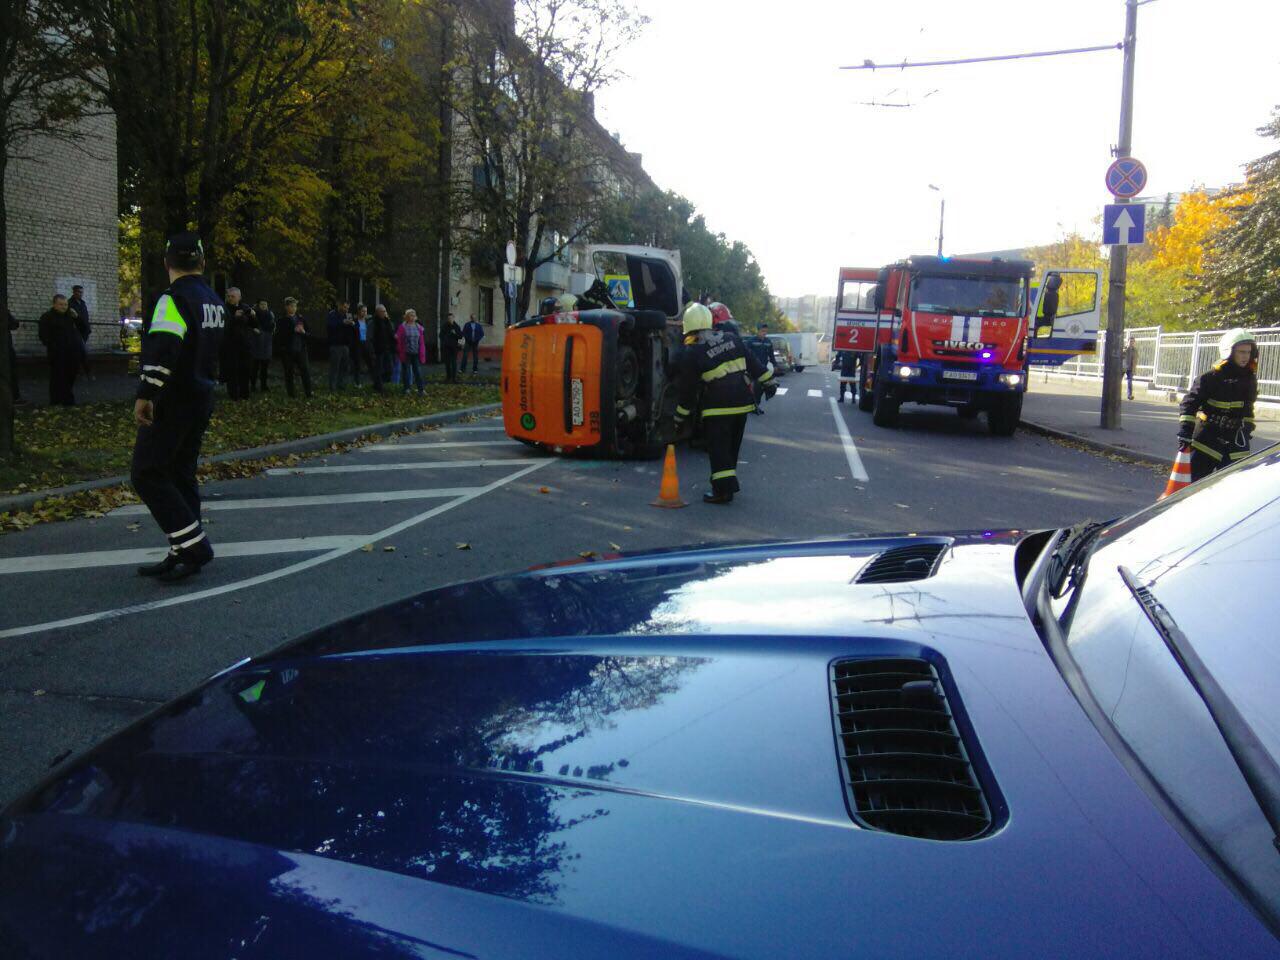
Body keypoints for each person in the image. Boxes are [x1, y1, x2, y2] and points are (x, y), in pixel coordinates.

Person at [130, 231, 224, 583]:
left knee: (147, 472)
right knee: (180, 472)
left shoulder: (173, 299)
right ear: (202, 262)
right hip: (202, 396)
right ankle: (182, 550)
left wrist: (146, 393)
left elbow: (164, 348)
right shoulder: (213, 299)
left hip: (174, 398)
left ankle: (194, 547)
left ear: (167, 262)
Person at [674, 302, 775, 505]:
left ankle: (722, 491)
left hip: (717, 408)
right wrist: (769, 381)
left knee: (719, 449)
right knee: (731, 448)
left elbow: (689, 390)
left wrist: (679, 416)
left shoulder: (692, 352)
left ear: (689, 327)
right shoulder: (731, 339)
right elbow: (754, 363)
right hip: (742, 405)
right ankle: (725, 484)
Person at [1178, 329, 1258, 483]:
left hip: (1236, 443)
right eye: (1241, 352)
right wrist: (1185, 431)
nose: (1245, 356)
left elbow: (1248, 409)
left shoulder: (1249, 379)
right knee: (1193, 487)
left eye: (1248, 352)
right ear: (1229, 352)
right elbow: (1189, 404)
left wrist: (1247, 429)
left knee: (1233, 489)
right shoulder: (1209, 378)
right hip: (1206, 440)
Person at [38, 294, 82, 405]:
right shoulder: (47, 317)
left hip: (71, 353)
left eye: (66, 304)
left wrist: (77, 317)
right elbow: (43, 335)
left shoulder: (70, 316)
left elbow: (84, 328)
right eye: (61, 304)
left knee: (70, 375)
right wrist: (53, 345)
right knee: (57, 378)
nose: (64, 307)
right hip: (56, 354)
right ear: (54, 304)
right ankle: (56, 401)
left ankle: (67, 400)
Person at [275, 297, 313, 398]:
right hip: (288, 351)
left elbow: (309, 334)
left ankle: (309, 393)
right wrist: (293, 330)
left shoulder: (301, 319)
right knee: (289, 372)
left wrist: (304, 332)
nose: (294, 308)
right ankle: (291, 395)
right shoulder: (281, 320)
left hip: (301, 349)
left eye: (295, 306)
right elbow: (279, 336)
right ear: (286, 307)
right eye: (291, 306)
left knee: (305, 371)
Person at [397, 309, 426, 395]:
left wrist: (422, 352)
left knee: (417, 371)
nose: (412, 317)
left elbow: (421, 341)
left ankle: (421, 389)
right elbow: (399, 339)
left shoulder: (418, 327)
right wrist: (399, 350)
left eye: (414, 316)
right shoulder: (403, 327)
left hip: (416, 352)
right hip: (406, 352)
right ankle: (407, 389)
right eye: (411, 315)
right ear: (407, 317)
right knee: (406, 371)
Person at [326, 299, 353, 391]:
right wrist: (342, 322)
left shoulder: (348, 315)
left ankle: (342, 386)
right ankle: (332, 387)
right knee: (335, 367)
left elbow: (350, 330)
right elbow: (331, 326)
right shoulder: (332, 314)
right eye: (345, 307)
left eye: (348, 308)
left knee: (345, 367)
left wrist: (352, 324)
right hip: (335, 344)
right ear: (339, 305)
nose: (346, 309)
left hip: (345, 344)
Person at [68, 285, 93, 380]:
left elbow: (85, 317)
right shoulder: (70, 303)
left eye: (81, 292)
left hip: (84, 331)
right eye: (78, 292)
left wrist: (87, 329)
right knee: (82, 352)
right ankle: (86, 373)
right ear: (74, 292)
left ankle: (80, 373)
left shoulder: (83, 303)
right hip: (75, 332)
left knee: (80, 352)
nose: (80, 294)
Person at [250, 298, 275, 392]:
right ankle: (253, 385)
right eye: (262, 304)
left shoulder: (270, 314)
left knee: (265, 367)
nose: (264, 306)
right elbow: (251, 325)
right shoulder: (254, 314)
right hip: (257, 343)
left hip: (266, 343)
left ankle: (264, 386)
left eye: (265, 304)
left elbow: (272, 327)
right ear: (258, 305)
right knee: (255, 367)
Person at [350, 303, 377, 390]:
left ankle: (375, 382)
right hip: (358, 344)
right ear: (358, 311)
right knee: (357, 364)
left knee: (371, 363)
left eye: (366, 311)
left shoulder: (368, 322)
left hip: (367, 343)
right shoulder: (354, 321)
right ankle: (357, 383)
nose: (364, 313)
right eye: (363, 311)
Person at [371, 304, 395, 391]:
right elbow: (371, 336)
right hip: (378, 349)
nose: (385, 313)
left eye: (385, 311)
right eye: (383, 311)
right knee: (379, 369)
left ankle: (379, 383)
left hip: (387, 348)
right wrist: (372, 349)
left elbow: (391, 334)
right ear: (378, 312)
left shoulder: (387, 321)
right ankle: (378, 386)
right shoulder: (374, 322)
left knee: (390, 369)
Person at [5, 308, 23, 405]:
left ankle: (15, 397)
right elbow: (14, 324)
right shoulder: (4, 310)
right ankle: (15, 397)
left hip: (6, 347)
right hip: (6, 348)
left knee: (11, 372)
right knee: (11, 372)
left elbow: (14, 324)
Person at [440, 312, 462, 382]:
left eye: (451, 318)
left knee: (454, 363)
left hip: (454, 347)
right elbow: (440, 335)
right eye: (449, 318)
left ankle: (454, 378)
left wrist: (455, 333)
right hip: (446, 347)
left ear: (453, 318)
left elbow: (460, 336)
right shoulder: (444, 326)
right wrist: (445, 340)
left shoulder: (456, 326)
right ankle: (448, 378)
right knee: (447, 363)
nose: (450, 319)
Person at [1125, 335, 1138, 400]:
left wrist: (1134, 369)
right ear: (1127, 342)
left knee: (1130, 382)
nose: (1131, 343)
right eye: (1130, 341)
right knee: (1118, 382)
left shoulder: (1135, 350)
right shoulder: (1124, 349)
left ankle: (1129, 395)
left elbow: (1135, 360)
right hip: (1123, 368)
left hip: (1130, 368)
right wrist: (1127, 348)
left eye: (1133, 341)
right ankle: (1115, 394)